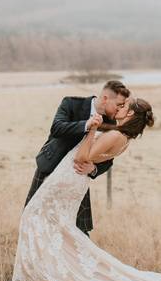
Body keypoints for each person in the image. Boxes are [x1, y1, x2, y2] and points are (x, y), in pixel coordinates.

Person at [10, 97, 161, 281]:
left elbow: (81, 158)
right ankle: (42, 271)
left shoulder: (117, 136)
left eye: (123, 106)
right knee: (54, 224)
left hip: (69, 177)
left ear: (130, 113)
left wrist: (92, 129)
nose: (118, 108)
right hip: (73, 179)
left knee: (34, 215)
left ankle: (48, 272)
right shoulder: (123, 137)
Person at [24, 80, 129, 235]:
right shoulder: (71, 103)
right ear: (106, 98)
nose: (119, 109)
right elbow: (57, 128)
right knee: (34, 219)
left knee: (78, 231)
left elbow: (108, 159)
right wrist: (87, 125)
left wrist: (94, 169)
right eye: (118, 104)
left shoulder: (112, 123)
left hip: (76, 179)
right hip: (50, 168)